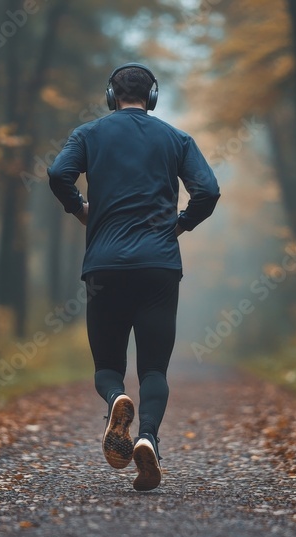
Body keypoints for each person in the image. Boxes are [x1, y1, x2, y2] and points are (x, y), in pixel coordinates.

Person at [47, 63, 220, 491]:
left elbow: (57, 175)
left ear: (111, 96)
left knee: (107, 366)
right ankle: (148, 438)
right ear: (152, 97)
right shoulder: (176, 139)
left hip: (104, 266)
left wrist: (80, 209)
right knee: (154, 369)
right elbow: (209, 190)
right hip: (159, 267)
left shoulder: (88, 134)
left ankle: (114, 402)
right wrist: (181, 224)